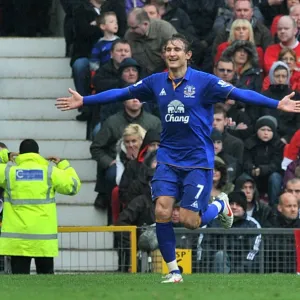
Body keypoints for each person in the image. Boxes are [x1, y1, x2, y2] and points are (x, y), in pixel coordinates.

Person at [56, 33, 300, 283]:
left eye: (177, 49)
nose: (171, 53)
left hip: (197, 160)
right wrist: (85, 99)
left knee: (189, 221)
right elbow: (122, 92)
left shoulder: (204, 82)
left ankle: (219, 205)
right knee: (161, 212)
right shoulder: (156, 82)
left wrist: (275, 104)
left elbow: (239, 94)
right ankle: (174, 271)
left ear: (188, 55)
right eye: (168, 49)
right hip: (168, 158)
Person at [0, 139, 81, 274]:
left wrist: (4, 155)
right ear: (38, 154)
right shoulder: (50, 171)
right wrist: (63, 164)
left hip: (18, 241)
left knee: (20, 288)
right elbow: (74, 186)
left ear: (19, 154)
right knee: (47, 287)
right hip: (44, 240)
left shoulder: (9, 172)